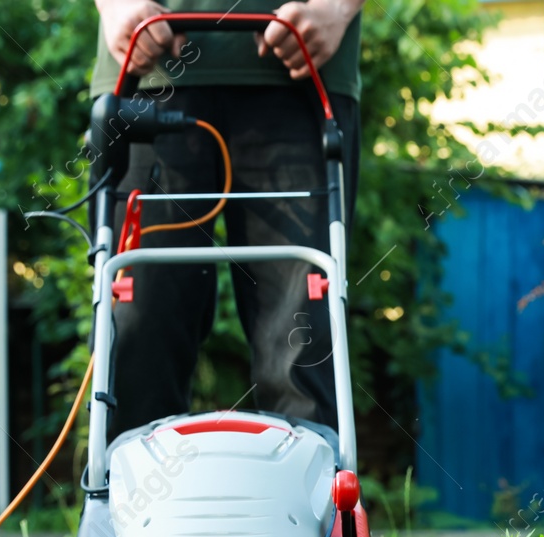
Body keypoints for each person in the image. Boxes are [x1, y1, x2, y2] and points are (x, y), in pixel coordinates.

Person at [91, 0, 365, 442]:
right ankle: (126, 505)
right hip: (145, 77)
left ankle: (311, 507)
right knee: (136, 340)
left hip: (304, 74)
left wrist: (335, 8)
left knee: (304, 344)